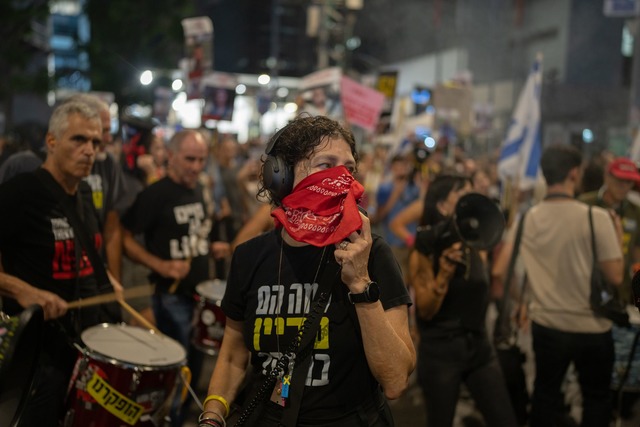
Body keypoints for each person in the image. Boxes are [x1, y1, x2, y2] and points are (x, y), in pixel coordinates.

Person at [199, 115, 416, 427]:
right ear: (282, 176)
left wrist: (360, 283)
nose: (341, 180)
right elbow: (233, 355)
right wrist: (212, 415)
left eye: (349, 169)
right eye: (325, 165)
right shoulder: (249, 257)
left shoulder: (372, 253)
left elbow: (395, 381)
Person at [0, 100, 123, 426]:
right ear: (51, 142)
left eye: (96, 142)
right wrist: (22, 290)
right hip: (36, 357)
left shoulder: (82, 195)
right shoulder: (20, 193)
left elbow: (83, 252)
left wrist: (107, 278)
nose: (89, 151)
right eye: (78, 140)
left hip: (81, 350)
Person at [494, 144, 624, 427]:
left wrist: (523, 301)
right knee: (597, 399)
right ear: (574, 174)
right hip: (592, 326)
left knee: (546, 397)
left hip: (548, 324)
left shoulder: (528, 218)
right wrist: (616, 234)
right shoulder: (597, 218)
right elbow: (615, 276)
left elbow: (500, 270)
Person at [121, 129, 230, 426]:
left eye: (201, 160)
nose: (196, 167)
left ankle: (178, 418)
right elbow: (125, 238)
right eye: (189, 159)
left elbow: (193, 235)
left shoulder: (200, 189)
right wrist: (160, 265)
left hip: (198, 295)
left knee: (194, 366)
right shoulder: (155, 194)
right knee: (174, 368)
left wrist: (211, 248)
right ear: (171, 156)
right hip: (170, 296)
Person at [408, 173, 518, 427]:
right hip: (441, 353)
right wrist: (443, 276)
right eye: (462, 196)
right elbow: (424, 310)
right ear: (442, 206)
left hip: (479, 347)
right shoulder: (425, 248)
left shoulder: (475, 243)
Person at [578, 157, 640, 305]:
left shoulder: (635, 212)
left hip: (621, 290)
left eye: (628, 182)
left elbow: (637, 250)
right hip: (586, 285)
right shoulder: (585, 204)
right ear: (607, 177)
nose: (623, 186)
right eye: (619, 180)